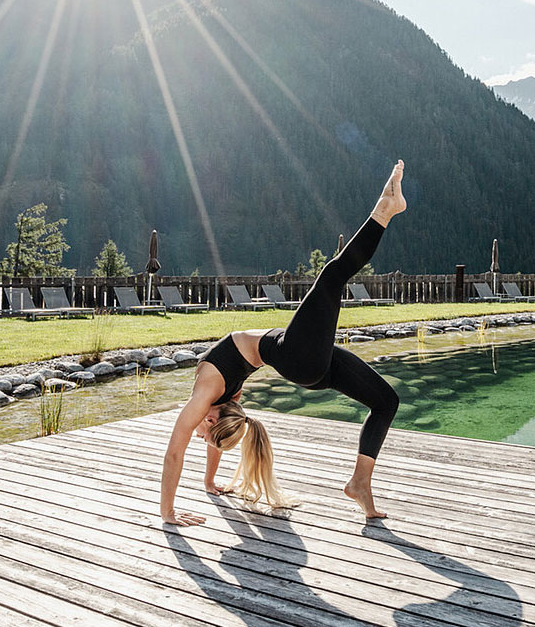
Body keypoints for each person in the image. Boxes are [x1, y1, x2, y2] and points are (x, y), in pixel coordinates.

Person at [160, 160, 407, 527]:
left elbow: (206, 440)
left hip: (303, 362)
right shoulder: (208, 397)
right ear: (210, 418)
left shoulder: (215, 401)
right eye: (205, 434)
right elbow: (174, 453)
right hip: (296, 356)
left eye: (204, 434)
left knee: (386, 401)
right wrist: (169, 513)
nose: (197, 434)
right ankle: (384, 210)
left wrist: (210, 482)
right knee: (332, 275)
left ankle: (360, 483)